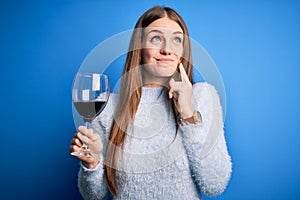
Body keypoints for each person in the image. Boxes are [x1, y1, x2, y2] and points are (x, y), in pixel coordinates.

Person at [70, 6, 232, 200]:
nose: (167, 50)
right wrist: (92, 164)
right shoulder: (107, 108)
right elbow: (93, 195)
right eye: (156, 38)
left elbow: (215, 184)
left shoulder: (203, 96)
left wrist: (188, 113)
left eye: (176, 40)